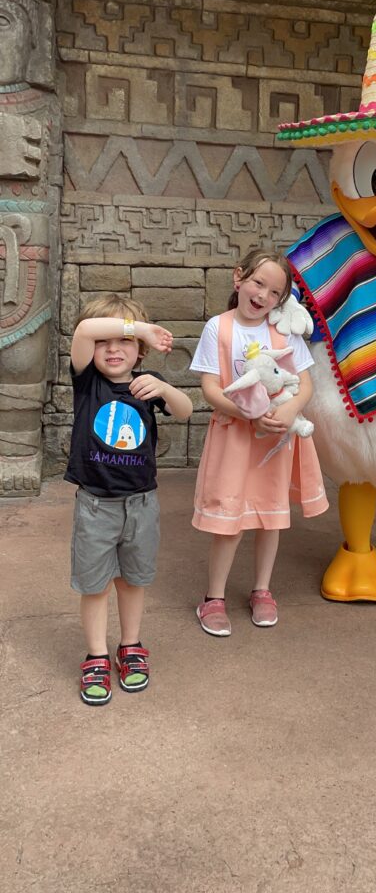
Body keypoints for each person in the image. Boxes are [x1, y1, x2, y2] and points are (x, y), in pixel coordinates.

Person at [190, 248, 328, 637]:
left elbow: (304, 384)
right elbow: (210, 388)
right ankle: (213, 598)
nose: (263, 295)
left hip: (275, 441)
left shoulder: (281, 332)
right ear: (239, 279)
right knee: (229, 520)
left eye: (274, 293)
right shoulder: (218, 328)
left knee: (271, 515)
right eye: (258, 283)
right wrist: (243, 412)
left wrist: (289, 411)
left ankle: (262, 590)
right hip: (234, 437)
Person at [65, 294, 193, 706]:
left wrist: (166, 388)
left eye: (124, 343)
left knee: (133, 580)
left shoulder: (146, 384)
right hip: (96, 505)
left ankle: (131, 645)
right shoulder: (87, 381)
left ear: (140, 354)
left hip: (140, 505)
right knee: (95, 585)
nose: (113, 348)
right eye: (107, 341)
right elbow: (85, 331)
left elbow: (187, 410)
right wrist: (137, 329)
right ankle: (97, 655)